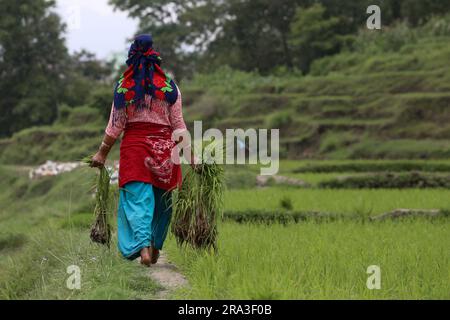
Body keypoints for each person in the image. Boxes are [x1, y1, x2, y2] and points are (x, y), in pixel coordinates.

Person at [90, 34, 191, 266]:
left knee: (137, 199)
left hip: (135, 148)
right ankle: (155, 249)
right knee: (162, 199)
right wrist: (191, 155)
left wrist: (102, 153)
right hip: (165, 148)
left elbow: (115, 126)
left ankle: (143, 247)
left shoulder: (124, 87)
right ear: (155, 56)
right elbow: (178, 125)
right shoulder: (170, 87)